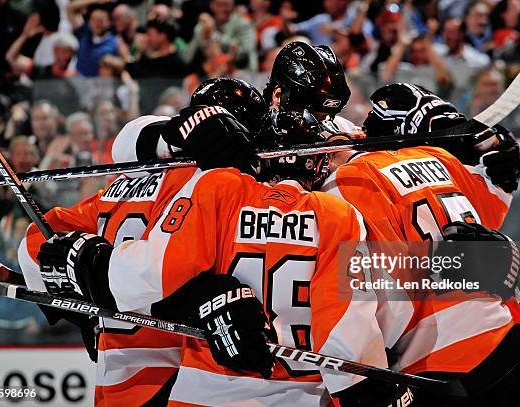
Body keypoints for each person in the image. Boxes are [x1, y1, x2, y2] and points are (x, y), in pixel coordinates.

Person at [25, 105, 396, 406]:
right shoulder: (338, 210)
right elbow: (354, 337)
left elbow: (143, 274)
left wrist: (85, 282)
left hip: (174, 386)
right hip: (295, 391)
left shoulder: (198, 187)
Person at [321, 83, 520, 405]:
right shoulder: (435, 157)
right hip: (504, 341)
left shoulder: (342, 188)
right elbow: (491, 210)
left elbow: (384, 288)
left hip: (440, 364)